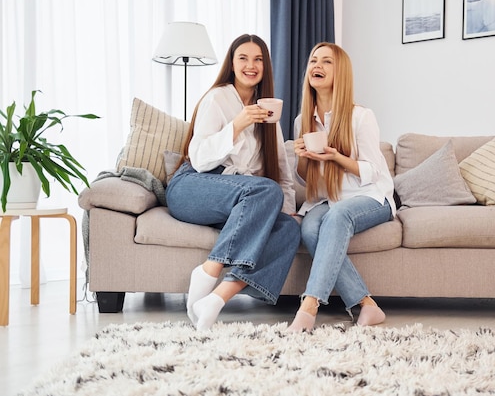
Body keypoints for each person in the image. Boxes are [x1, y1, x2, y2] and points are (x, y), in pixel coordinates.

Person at [165, 34, 301, 331]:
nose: (251, 65)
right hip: (193, 186)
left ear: (265, 67)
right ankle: (207, 272)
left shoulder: (268, 113)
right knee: (265, 189)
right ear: (232, 63)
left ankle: (215, 299)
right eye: (243, 58)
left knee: (289, 227)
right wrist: (238, 124)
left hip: (236, 197)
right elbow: (199, 159)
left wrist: (287, 209)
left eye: (258, 60)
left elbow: (281, 170)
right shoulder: (218, 98)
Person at [286, 42, 396, 332]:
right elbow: (305, 180)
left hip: (371, 197)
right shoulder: (303, 121)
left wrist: (337, 158)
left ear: (341, 73)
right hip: (328, 199)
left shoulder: (361, 116)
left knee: (337, 217)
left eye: (326, 62)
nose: (317, 66)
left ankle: (309, 306)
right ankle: (367, 306)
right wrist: (301, 158)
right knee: (309, 228)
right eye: (313, 61)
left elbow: (372, 171)